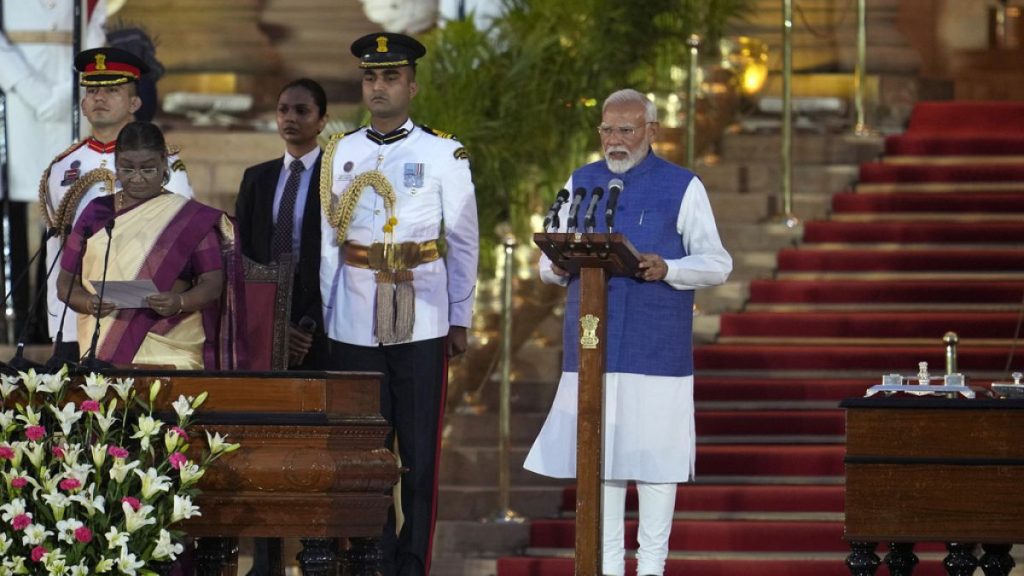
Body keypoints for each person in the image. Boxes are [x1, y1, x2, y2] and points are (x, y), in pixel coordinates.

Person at [523, 88, 733, 576]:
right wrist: (556, 267)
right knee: (603, 460)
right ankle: (609, 568)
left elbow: (718, 263)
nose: (615, 140)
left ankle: (653, 568)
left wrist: (671, 268)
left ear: (651, 131)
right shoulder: (581, 182)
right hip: (592, 345)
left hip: (655, 347)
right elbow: (547, 263)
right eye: (607, 130)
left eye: (626, 130)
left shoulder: (682, 186)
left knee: (656, 462)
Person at [318, 32, 478, 576]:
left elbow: (462, 239)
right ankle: (375, 557)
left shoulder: (442, 152)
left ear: (411, 84)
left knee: (419, 451)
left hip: (422, 311)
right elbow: (328, 241)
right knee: (365, 448)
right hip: (354, 314)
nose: (379, 86)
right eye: (370, 76)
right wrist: (326, 311)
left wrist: (460, 316)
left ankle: (413, 563)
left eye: (390, 76)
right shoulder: (340, 151)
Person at [40, 46, 193, 363]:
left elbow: (176, 246)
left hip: (137, 320)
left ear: (135, 102)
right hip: (72, 319)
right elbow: (57, 251)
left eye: (112, 90)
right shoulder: (62, 168)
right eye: (92, 89)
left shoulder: (165, 165)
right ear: (82, 103)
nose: (99, 97)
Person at [55, 121, 245, 370]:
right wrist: (88, 303)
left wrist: (180, 302)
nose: (137, 178)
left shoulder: (188, 218)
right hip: (104, 341)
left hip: (173, 343)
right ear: (116, 164)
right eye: (127, 169)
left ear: (164, 164)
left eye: (148, 169)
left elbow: (212, 284)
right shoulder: (96, 212)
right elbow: (66, 283)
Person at [236, 78, 328, 370]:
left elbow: (340, 255)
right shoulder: (256, 178)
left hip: (318, 313)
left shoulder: (336, 177)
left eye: (302, 111)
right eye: (283, 110)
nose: (290, 118)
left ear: (322, 121)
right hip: (263, 305)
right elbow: (242, 249)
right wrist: (270, 318)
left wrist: (307, 325)